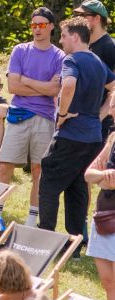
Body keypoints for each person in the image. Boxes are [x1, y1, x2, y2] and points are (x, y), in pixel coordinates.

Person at [39, 17, 115, 238]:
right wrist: (100, 115)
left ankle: (45, 236)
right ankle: (75, 241)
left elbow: (69, 85)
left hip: (71, 134)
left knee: (49, 182)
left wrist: (62, 114)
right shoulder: (98, 61)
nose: (61, 41)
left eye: (63, 36)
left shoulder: (71, 60)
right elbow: (113, 86)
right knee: (77, 187)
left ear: (74, 36)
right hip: (92, 137)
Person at [0, 7, 65, 226]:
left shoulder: (59, 56)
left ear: (51, 27)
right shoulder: (20, 50)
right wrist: (42, 87)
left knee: (38, 169)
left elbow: (55, 90)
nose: (37, 29)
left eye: (41, 25)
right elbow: (12, 85)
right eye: (33, 25)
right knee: (5, 164)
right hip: (18, 115)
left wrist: (26, 81)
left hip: (45, 117)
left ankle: (32, 216)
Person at [73, 0, 115, 141]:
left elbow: (114, 88)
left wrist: (99, 118)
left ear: (97, 18)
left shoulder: (110, 46)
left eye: (84, 16)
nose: (79, 20)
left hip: (101, 124)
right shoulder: (85, 45)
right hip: (82, 120)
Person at [85, 133, 115, 300]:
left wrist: (105, 180)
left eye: (114, 106)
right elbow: (88, 174)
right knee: (107, 281)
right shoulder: (113, 138)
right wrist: (105, 177)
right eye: (110, 105)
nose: (111, 111)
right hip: (104, 217)